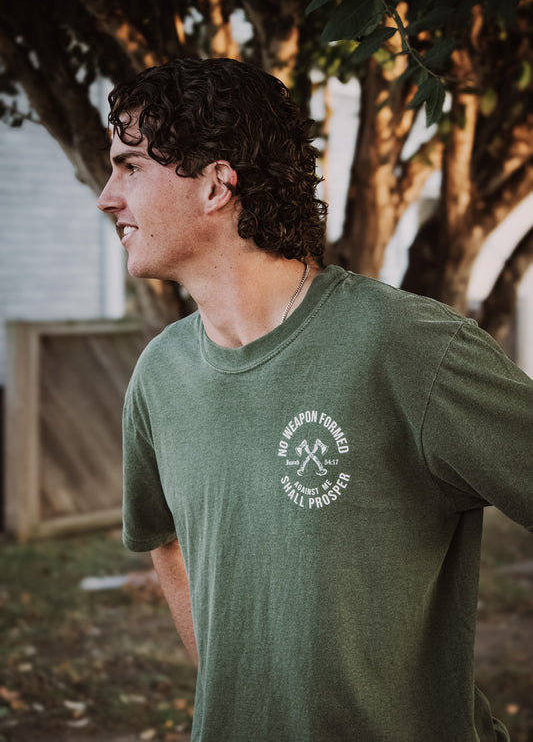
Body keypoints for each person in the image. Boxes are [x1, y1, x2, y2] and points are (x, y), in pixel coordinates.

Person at [97, 57, 533, 742]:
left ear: (215, 184)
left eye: (130, 167)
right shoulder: (160, 375)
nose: (106, 197)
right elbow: (163, 540)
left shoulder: (407, 347)